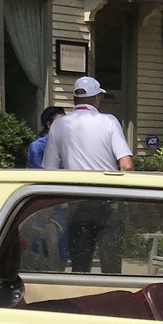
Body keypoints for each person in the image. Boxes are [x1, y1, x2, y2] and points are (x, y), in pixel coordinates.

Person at [42, 77, 133, 273]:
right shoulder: (109, 121)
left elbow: (49, 170)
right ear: (97, 98)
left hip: (77, 201)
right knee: (111, 266)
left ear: (75, 100)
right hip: (108, 201)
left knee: (80, 266)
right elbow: (126, 165)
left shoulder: (59, 125)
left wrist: (48, 208)